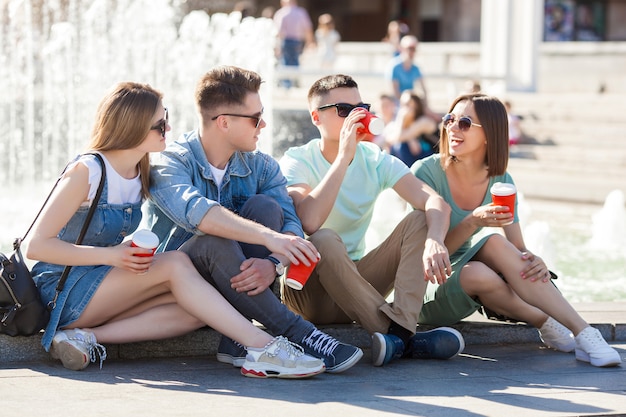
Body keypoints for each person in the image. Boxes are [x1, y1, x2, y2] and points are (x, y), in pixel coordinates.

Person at [24, 81, 325, 379]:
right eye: (159, 124)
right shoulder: (87, 171)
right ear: (133, 125)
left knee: (199, 307)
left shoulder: (137, 172)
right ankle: (265, 348)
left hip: (99, 289)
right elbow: (36, 246)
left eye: (166, 119)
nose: (168, 128)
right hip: (61, 292)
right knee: (177, 263)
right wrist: (113, 255)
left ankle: (86, 337)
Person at [143, 66, 363, 374]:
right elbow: (197, 214)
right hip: (178, 286)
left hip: (232, 284)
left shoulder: (262, 166)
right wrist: (267, 238)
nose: (263, 124)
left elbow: (291, 223)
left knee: (266, 208)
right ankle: (303, 335)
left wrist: (272, 263)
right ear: (223, 122)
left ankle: (237, 340)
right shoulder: (170, 162)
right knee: (214, 238)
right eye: (255, 118)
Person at [411, 93, 621, 368]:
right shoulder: (425, 172)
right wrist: (473, 221)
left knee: (494, 248)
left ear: (489, 133)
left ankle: (583, 332)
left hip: (472, 278)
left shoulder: (501, 181)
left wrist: (533, 259)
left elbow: (517, 248)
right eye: (449, 119)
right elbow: (424, 257)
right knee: (485, 255)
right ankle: (546, 321)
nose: (452, 127)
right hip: (426, 288)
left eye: (464, 122)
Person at [279, 74, 465, 367]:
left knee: (419, 220)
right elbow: (310, 221)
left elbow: (435, 202)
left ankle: (399, 331)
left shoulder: (375, 158)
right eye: (344, 110)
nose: (357, 117)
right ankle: (406, 338)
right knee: (324, 239)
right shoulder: (297, 159)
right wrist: (343, 158)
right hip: (306, 290)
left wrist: (435, 240)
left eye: (361, 107)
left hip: (354, 285)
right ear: (316, 117)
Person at [385, 91, 439, 167]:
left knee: (401, 144)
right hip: (421, 157)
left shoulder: (424, 121)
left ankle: (406, 175)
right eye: (402, 104)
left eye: (407, 104)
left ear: (416, 105)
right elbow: (389, 138)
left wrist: (401, 119)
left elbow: (399, 137)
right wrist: (411, 139)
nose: (404, 109)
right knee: (396, 146)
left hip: (434, 158)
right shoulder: (409, 123)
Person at [273, 0, 314, 88]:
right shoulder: (301, 12)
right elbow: (307, 28)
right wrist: (310, 41)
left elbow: (278, 31)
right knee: (296, 61)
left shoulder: (281, 13)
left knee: (285, 61)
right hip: (297, 41)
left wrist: (277, 45)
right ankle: (295, 83)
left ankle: (287, 85)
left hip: (286, 41)